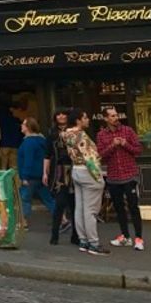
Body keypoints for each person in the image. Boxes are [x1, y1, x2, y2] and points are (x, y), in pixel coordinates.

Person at [97, 106, 144, 251]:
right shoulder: (101, 135)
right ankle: (125, 236)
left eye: (116, 115)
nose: (115, 118)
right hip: (113, 177)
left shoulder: (127, 131)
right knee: (119, 208)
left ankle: (139, 238)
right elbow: (101, 155)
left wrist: (125, 144)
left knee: (133, 207)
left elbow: (138, 150)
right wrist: (113, 145)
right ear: (105, 118)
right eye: (111, 116)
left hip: (129, 175)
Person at [65, 109, 108, 256]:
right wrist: (99, 178)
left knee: (80, 208)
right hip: (87, 171)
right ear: (78, 120)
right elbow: (90, 158)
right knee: (91, 210)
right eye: (85, 117)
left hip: (76, 170)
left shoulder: (67, 134)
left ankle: (83, 240)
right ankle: (93, 243)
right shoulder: (81, 135)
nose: (88, 119)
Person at [45, 109, 79, 246]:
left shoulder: (74, 131)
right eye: (58, 114)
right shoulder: (51, 133)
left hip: (74, 168)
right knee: (59, 204)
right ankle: (54, 235)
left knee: (74, 204)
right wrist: (45, 172)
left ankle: (75, 236)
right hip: (58, 170)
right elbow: (47, 154)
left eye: (63, 114)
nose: (61, 116)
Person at [17, 117, 56, 227]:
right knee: (47, 198)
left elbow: (28, 160)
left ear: (28, 127)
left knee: (25, 198)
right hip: (40, 174)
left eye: (23, 124)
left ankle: (23, 222)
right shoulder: (41, 140)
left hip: (31, 176)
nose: (21, 126)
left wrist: (24, 176)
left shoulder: (28, 142)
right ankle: (61, 218)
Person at [0, 100, 22, 170]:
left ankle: (2, 181)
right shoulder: (16, 119)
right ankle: (15, 181)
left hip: (4, 144)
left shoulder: (0, 116)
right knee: (14, 168)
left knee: (3, 168)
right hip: (15, 145)